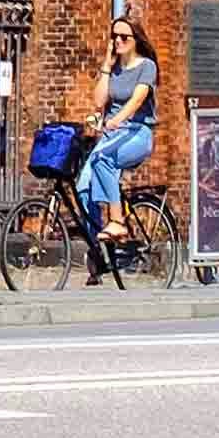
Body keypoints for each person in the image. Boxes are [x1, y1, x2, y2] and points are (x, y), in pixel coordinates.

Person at [78, 14, 162, 264]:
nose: (118, 41)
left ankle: (117, 221)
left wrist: (117, 119)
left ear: (135, 39)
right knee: (83, 188)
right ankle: (99, 253)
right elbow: (99, 101)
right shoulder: (113, 69)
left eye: (124, 36)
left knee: (103, 160)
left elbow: (137, 100)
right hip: (112, 136)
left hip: (136, 133)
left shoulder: (147, 66)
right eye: (114, 36)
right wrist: (106, 63)